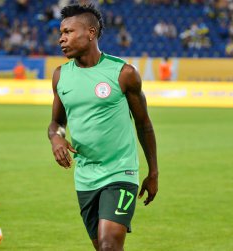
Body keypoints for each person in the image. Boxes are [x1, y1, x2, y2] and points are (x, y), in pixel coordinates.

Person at [47, 4, 158, 251]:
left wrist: (153, 172)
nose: (61, 39)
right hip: (85, 177)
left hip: (120, 172)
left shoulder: (124, 74)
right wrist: (56, 138)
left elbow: (144, 125)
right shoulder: (60, 76)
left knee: (109, 246)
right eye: (60, 33)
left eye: (68, 31)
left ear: (91, 32)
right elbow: (57, 123)